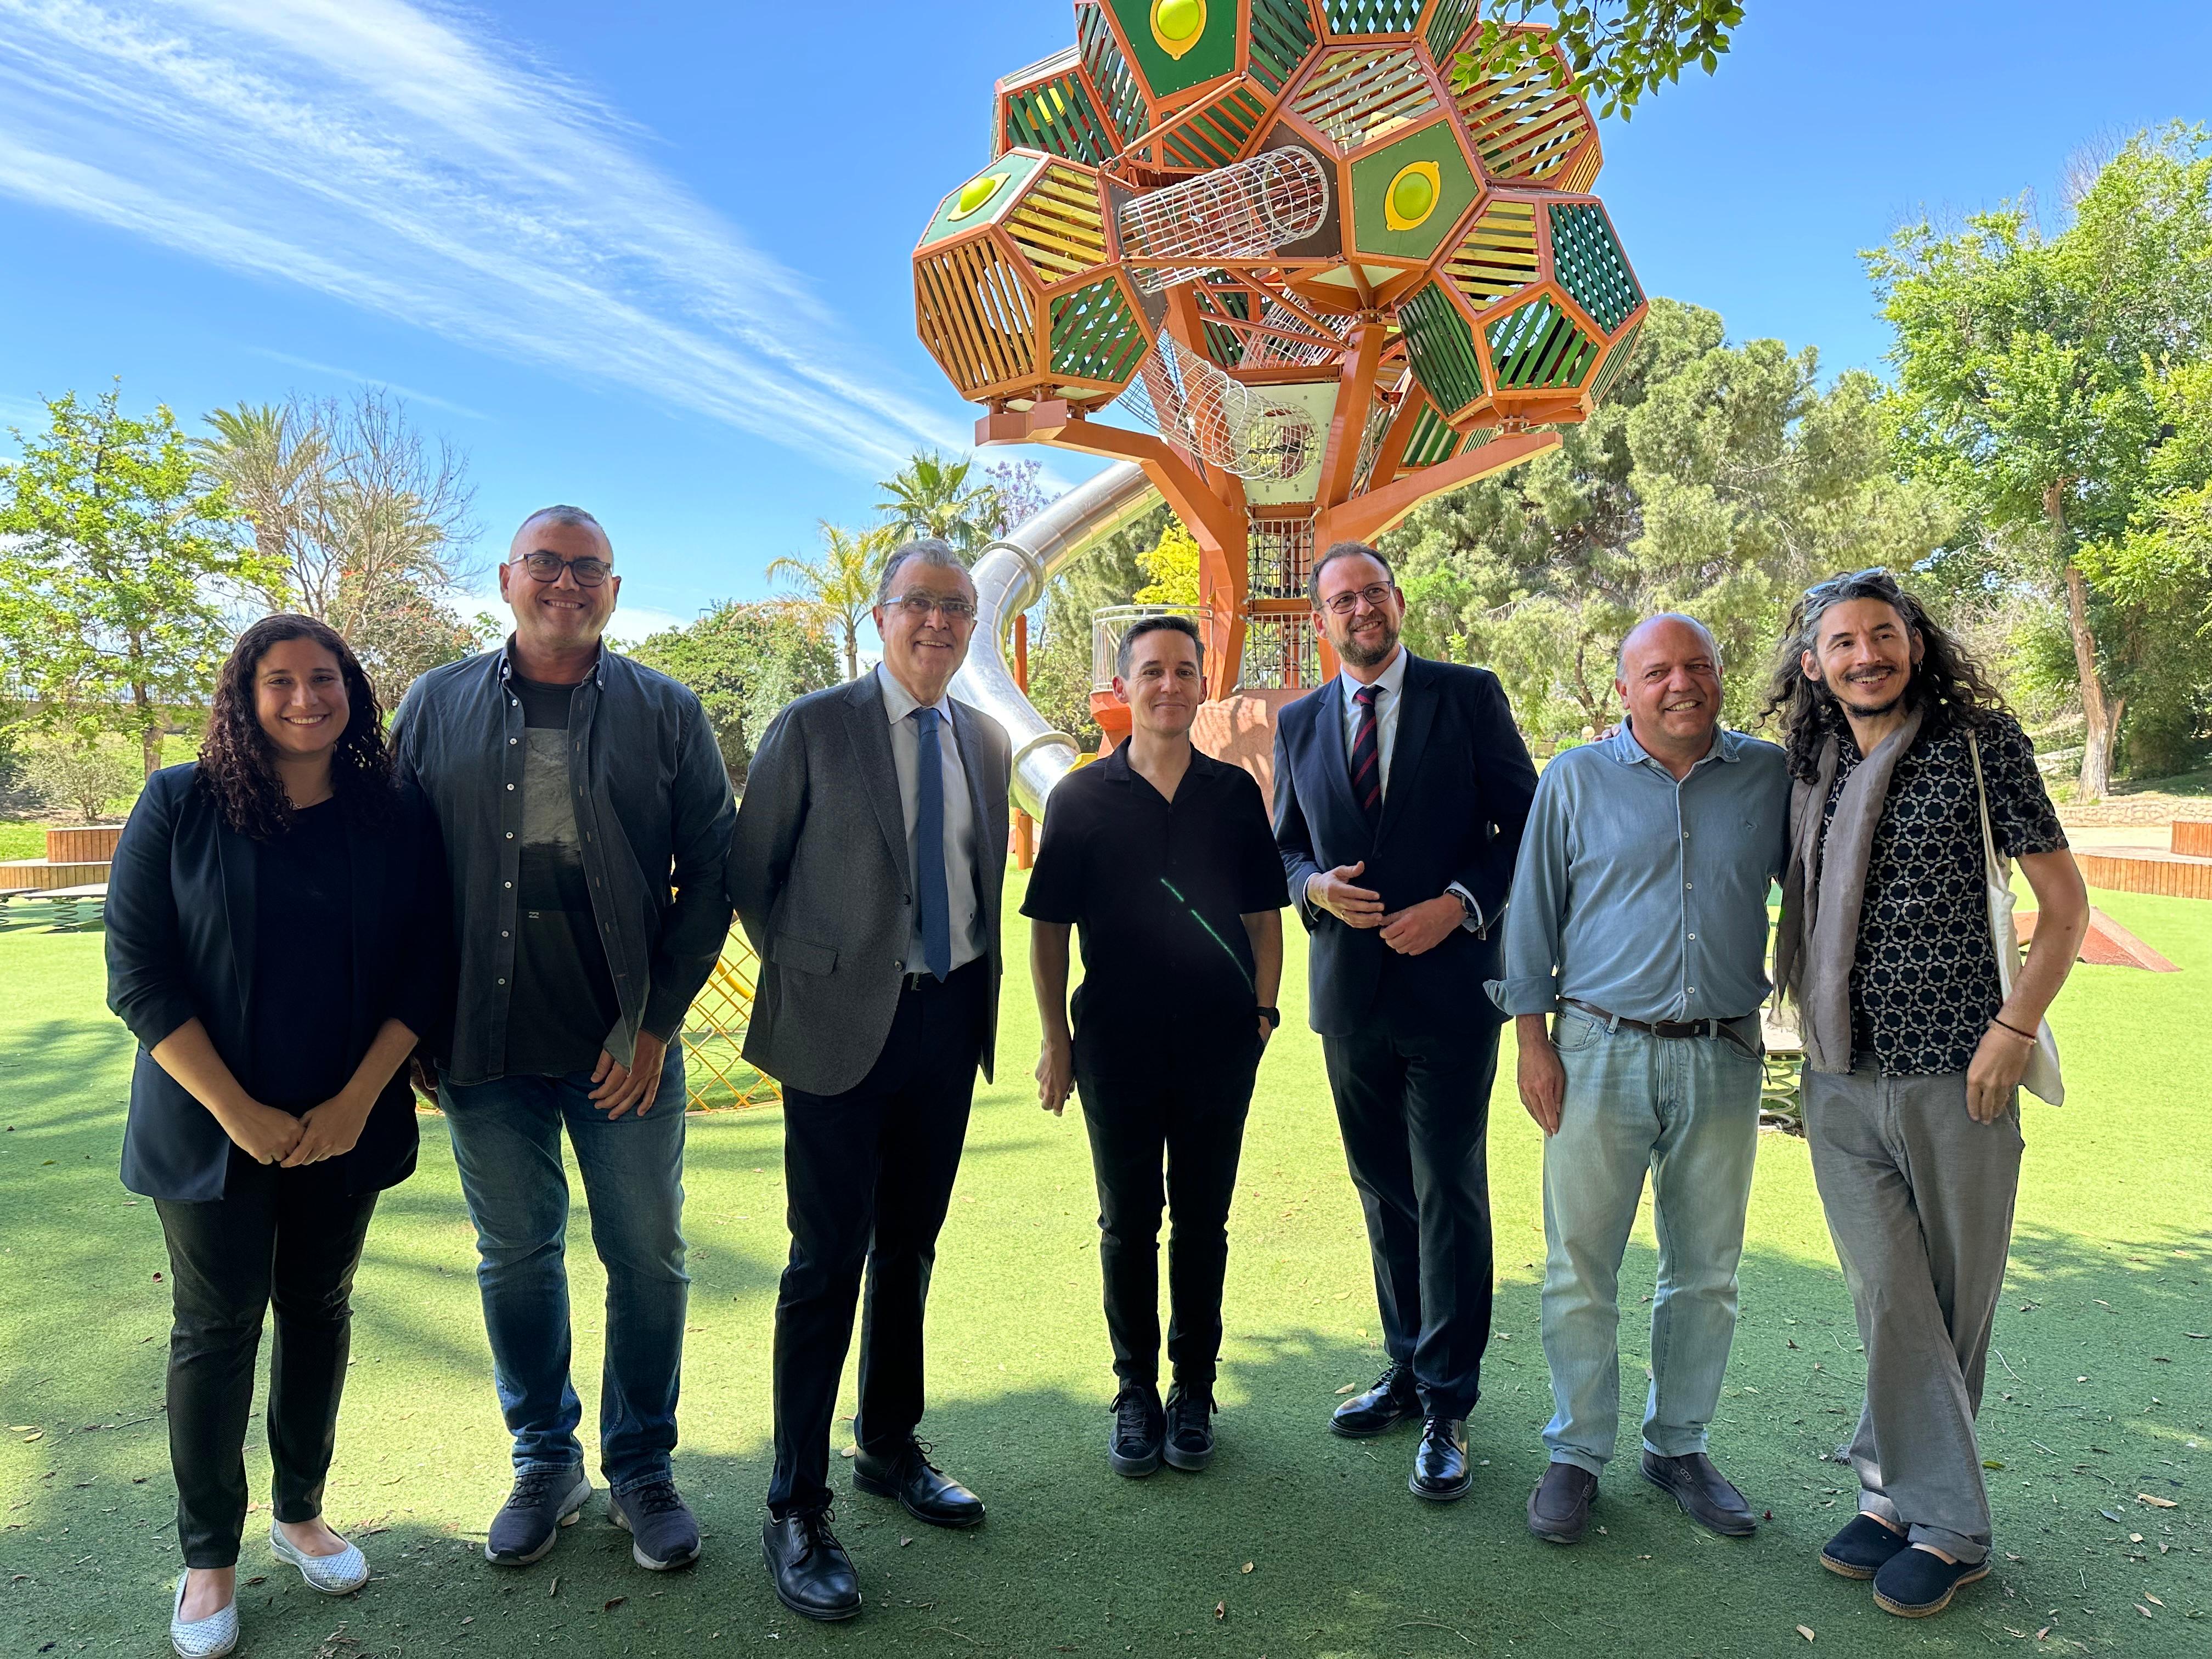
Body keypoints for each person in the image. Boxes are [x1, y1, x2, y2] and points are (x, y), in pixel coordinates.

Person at [391, 506, 735, 1575]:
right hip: (480, 1044)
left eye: (589, 568)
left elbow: (712, 878)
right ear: (505, 578)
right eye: (546, 562)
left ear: (615, 592)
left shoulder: (666, 712)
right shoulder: (434, 705)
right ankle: (547, 1460)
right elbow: (396, 876)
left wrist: (654, 1026)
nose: (566, 582)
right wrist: (407, 1028)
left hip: (623, 1044)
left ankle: (641, 1465)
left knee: (648, 1255)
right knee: (515, 1257)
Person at [105, 616, 447, 1659]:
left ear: (354, 690)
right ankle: (208, 1557)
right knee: (216, 1331)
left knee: (318, 1308)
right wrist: (239, 1113)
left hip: (346, 1119)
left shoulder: (393, 812)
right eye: (281, 681)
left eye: (326, 678)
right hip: (211, 1129)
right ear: (243, 698)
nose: (307, 698)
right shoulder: (180, 803)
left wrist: (351, 1106)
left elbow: (429, 966)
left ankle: (301, 1511)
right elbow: (139, 974)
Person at [1768, 569, 2086, 1619]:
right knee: (1888, 1296)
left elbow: (2065, 907)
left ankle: (1922, 1514)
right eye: (1843, 642)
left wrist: (2015, 1029)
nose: (1867, 656)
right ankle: (1921, 1506)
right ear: (1813, 661)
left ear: (1915, 639)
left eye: (1884, 633)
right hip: (1838, 1074)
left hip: (1964, 1075)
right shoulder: (1805, 760)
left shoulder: (1980, 744)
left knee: (1952, 1301)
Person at [729, 537, 1012, 1622]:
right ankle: (795, 1505)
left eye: (958, 607)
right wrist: (827, 976)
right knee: (825, 1261)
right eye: (920, 604)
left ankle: (888, 1448)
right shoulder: (814, 728)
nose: (938, 622)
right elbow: (753, 877)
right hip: (841, 1036)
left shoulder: (983, 738)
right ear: (881, 616)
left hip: (947, 1029)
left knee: (910, 1250)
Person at [1488, 616, 1790, 1545]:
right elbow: (1531, 913)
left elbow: (1820, 889)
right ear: (1625, 689)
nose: (1681, 684)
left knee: (1706, 1270)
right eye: (1657, 671)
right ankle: (1576, 1454)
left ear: (1720, 675)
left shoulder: (1768, 775)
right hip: (1595, 1048)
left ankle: (1678, 1446)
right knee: (1581, 1263)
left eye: (1698, 665)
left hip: (1725, 1052)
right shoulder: (1575, 779)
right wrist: (1533, 1043)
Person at [1271, 541, 1537, 1502]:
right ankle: (1406, 1364)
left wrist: (1463, 902)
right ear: (1321, 620)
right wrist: (1314, 893)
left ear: (1396, 598)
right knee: (1383, 1191)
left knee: (1449, 1190)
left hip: (1453, 991)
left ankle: (1449, 1402)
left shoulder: (1468, 696)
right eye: (1341, 600)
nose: (1361, 610)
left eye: (1372, 592)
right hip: (1349, 998)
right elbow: (1286, 848)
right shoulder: (1300, 722)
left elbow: (1529, 823)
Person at [1024, 616, 1288, 1479]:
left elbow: (1262, 920)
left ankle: (1194, 1390)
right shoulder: (1079, 799)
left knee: (1203, 1224)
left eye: (1184, 670)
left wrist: (1262, 1015)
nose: (1168, 684)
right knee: (1129, 1222)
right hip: (1116, 1048)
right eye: (1152, 671)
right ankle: (1135, 1389)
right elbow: (1050, 932)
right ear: (1122, 685)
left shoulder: (1233, 794)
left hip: (1219, 1046)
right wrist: (1057, 1041)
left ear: (1202, 684)